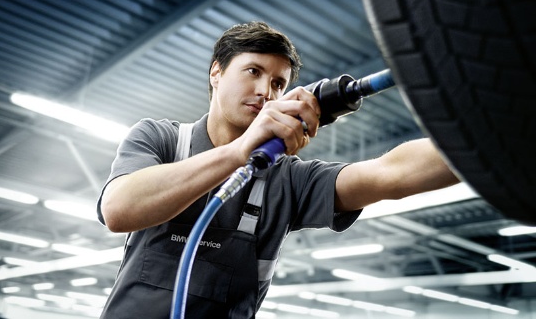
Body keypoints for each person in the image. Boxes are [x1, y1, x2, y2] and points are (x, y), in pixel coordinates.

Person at [97, 21, 459, 318]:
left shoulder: (288, 179)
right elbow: (118, 210)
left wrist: (490, 138)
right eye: (253, 71)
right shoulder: (160, 139)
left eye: (278, 84)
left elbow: (389, 174)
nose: (265, 92)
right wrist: (239, 152)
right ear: (216, 73)